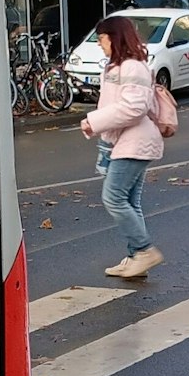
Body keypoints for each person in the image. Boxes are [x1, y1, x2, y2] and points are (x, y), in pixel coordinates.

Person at [80, 15, 164, 279]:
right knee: (129, 200)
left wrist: (94, 121)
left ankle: (144, 251)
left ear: (114, 38)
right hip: (128, 141)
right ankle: (134, 259)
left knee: (113, 197)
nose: (99, 44)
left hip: (136, 142)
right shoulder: (123, 66)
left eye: (101, 39)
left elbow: (134, 108)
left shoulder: (132, 67)